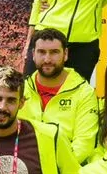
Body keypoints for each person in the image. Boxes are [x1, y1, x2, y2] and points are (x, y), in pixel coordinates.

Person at [20, 28, 102, 166]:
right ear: (33, 54)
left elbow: (84, 144)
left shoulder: (84, 93)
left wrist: (50, 168)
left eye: (54, 52)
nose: (47, 59)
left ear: (65, 54)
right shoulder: (20, 90)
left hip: (64, 172)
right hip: (22, 169)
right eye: (41, 52)